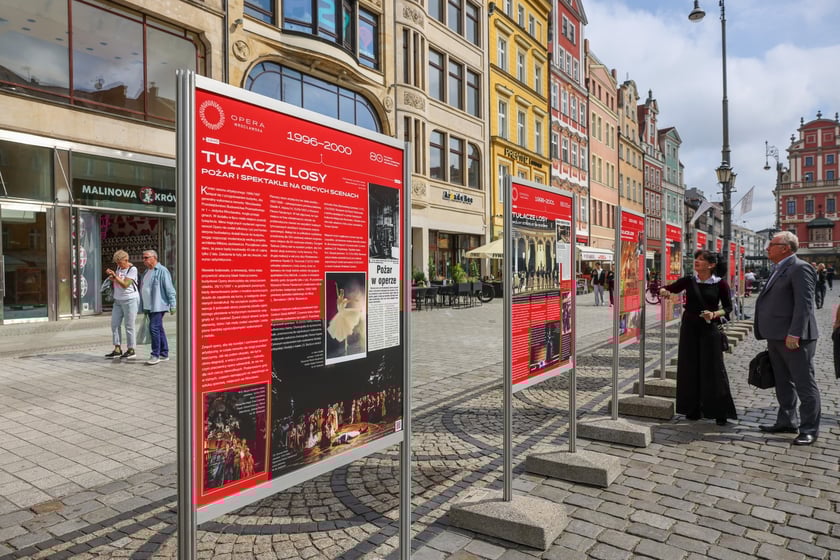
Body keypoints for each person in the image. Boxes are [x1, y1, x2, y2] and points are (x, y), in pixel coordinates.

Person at [754, 231, 820, 446]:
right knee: (783, 382)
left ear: (785, 247)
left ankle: (809, 428)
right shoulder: (778, 268)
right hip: (775, 336)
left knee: (804, 383)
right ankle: (787, 420)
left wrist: (795, 333)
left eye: (771, 244)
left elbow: (804, 304)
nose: (767, 248)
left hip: (794, 338)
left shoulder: (800, 268)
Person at [658, 250, 737, 426]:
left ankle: (719, 411)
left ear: (711, 265)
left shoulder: (720, 284)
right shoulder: (689, 280)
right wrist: (663, 290)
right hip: (689, 329)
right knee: (689, 368)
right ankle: (693, 409)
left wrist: (714, 313)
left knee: (714, 369)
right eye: (696, 259)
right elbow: (670, 288)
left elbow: (728, 308)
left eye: (701, 260)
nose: (697, 262)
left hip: (709, 330)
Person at [140, 249, 176, 366]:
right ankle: (164, 353)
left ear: (154, 258)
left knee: (153, 328)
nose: (143, 260)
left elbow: (169, 288)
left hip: (158, 305)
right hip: (149, 306)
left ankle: (155, 354)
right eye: (143, 257)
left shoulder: (162, 271)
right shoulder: (146, 272)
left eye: (146, 257)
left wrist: (173, 304)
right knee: (159, 329)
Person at [104, 250, 140, 360]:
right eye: (117, 263)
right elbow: (118, 280)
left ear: (126, 260)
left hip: (130, 300)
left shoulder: (132, 269)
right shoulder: (119, 268)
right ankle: (117, 348)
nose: (118, 265)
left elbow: (125, 284)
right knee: (114, 324)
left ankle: (131, 349)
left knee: (129, 325)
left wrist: (115, 276)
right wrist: (112, 277)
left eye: (120, 263)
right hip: (118, 300)